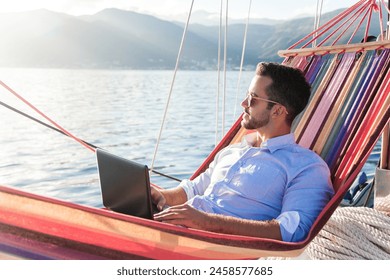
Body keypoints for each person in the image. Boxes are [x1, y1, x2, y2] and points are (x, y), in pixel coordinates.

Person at [152, 62, 334, 242]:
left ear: (278, 111)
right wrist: (159, 195)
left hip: (204, 245)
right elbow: (193, 189)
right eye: (247, 96)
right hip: (167, 225)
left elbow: (292, 230)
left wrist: (207, 223)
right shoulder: (233, 151)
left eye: (252, 99)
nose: (243, 103)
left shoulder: (307, 167)